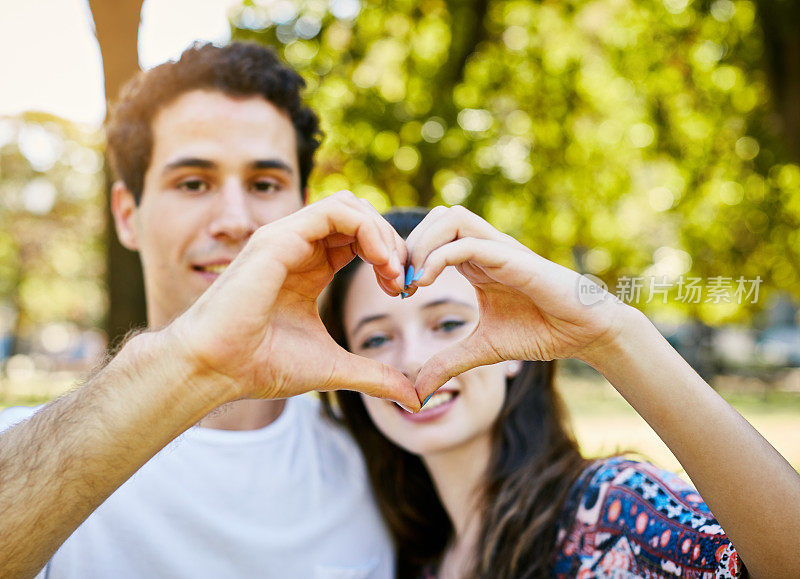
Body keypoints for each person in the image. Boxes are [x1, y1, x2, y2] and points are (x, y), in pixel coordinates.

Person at [0, 42, 423, 578]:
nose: (235, 219)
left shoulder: (384, 451)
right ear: (128, 215)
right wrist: (196, 367)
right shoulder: (23, 454)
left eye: (264, 184)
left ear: (303, 205)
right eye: (193, 183)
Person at [320, 206, 800, 578]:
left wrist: (612, 337)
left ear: (510, 356)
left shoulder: (613, 512)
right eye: (376, 339)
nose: (412, 358)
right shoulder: (405, 557)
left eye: (447, 323)